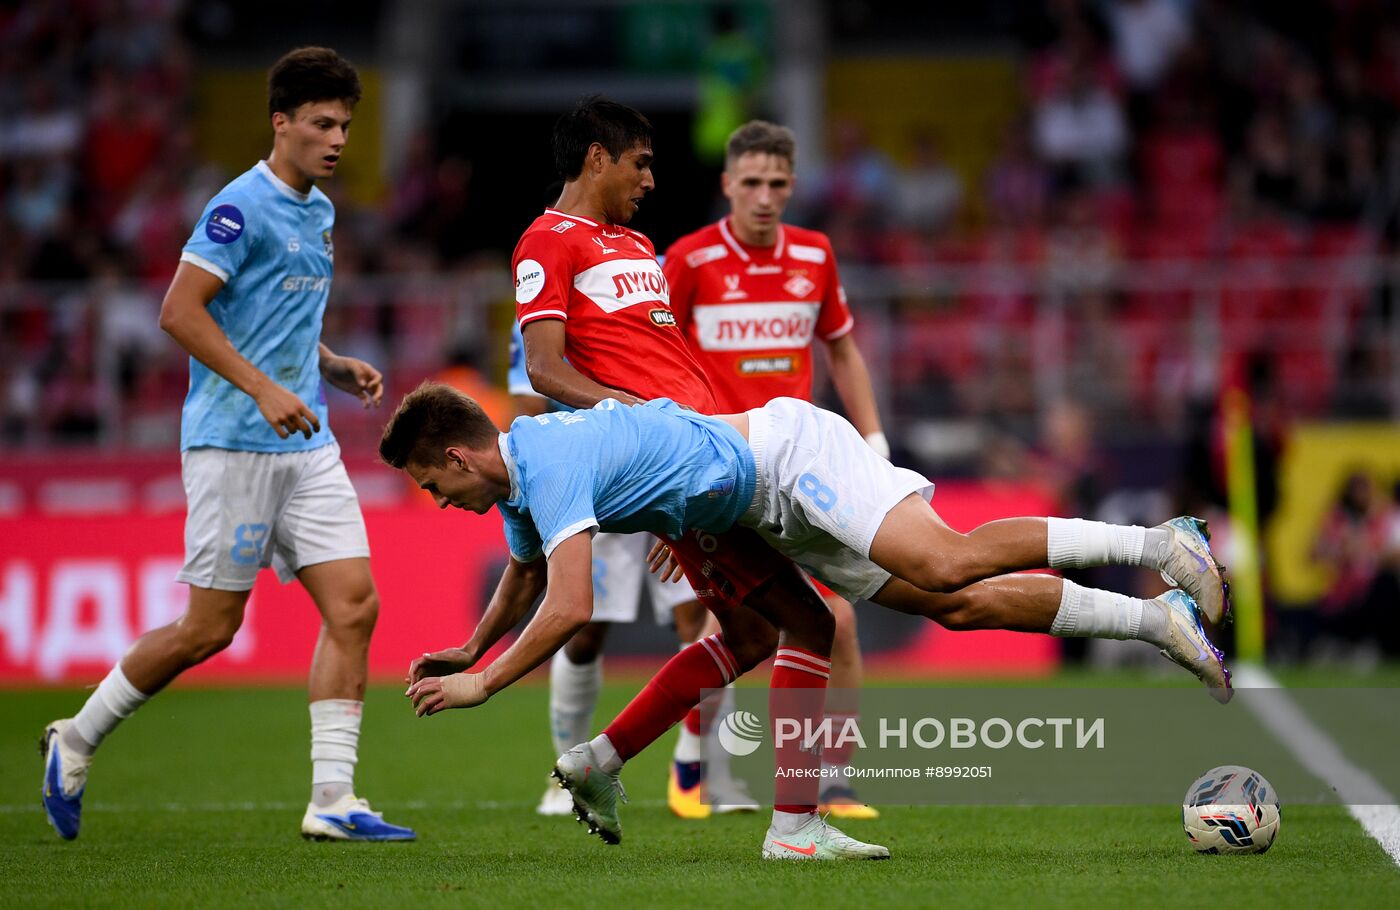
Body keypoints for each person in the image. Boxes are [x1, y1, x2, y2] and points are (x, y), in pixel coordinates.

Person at [385, 385, 1232, 860]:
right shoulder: (520, 484)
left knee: (945, 563)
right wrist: (471, 643)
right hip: (732, 510)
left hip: (787, 460)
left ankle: (1160, 539)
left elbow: (569, 605)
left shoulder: (549, 459)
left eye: (432, 485)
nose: (438, 502)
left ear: (457, 456)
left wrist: (484, 682)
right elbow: (527, 575)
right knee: (934, 610)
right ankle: (1157, 621)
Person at [39, 47, 414, 843]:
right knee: (209, 629)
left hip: (303, 442)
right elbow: (181, 311)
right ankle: (75, 737)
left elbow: (269, 316)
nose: (337, 138)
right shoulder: (238, 208)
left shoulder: (319, 210)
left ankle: (333, 800)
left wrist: (328, 364)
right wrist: (263, 389)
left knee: (355, 605)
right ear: (280, 124)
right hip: (233, 444)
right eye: (321, 124)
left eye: (345, 124)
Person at [507, 95, 881, 859]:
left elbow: (671, 368)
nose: (651, 178)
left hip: (713, 457)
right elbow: (543, 368)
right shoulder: (553, 243)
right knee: (812, 619)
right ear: (597, 158)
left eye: (781, 183)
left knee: (753, 629)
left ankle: (624, 763)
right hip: (656, 459)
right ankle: (785, 821)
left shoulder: (641, 247)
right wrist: (650, 441)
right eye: (640, 162)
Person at [663, 119, 883, 819]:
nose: (764, 196)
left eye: (778, 183)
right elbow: (662, 367)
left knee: (839, 623)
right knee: (726, 625)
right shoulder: (691, 261)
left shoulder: (815, 255)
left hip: (804, 468)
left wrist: (872, 438)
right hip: (720, 469)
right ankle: (695, 760)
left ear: (793, 186)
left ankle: (831, 780)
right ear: (727, 183)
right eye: (751, 182)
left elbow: (842, 349)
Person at [505, 320, 714, 817]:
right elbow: (526, 407)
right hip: (593, 486)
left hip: (667, 470)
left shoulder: (661, 284)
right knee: (584, 629)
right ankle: (566, 773)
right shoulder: (543, 314)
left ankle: (695, 767)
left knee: (699, 615)